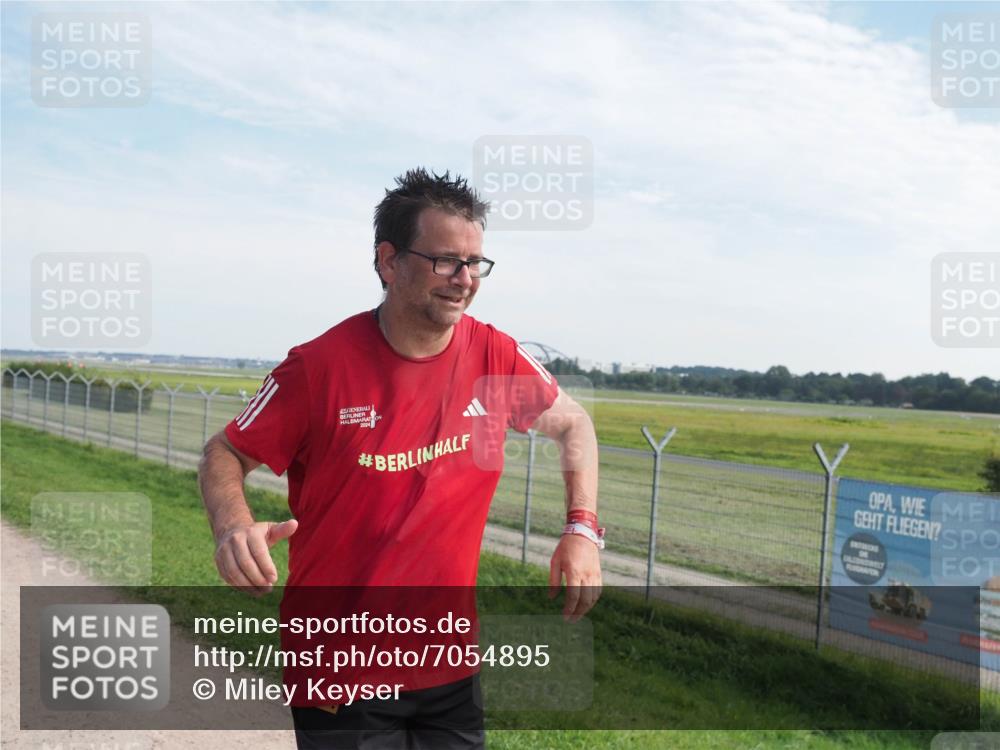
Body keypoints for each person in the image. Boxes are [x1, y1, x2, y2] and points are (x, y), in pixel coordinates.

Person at [198, 168, 603, 749]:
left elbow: (575, 425)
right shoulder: (319, 368)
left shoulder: (495, 355)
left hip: (449, 659)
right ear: (389, 261)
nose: (464, 280)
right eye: (444, 261)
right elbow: (225, 451)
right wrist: (233, 527)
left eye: (475, 263)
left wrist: (582, 529)